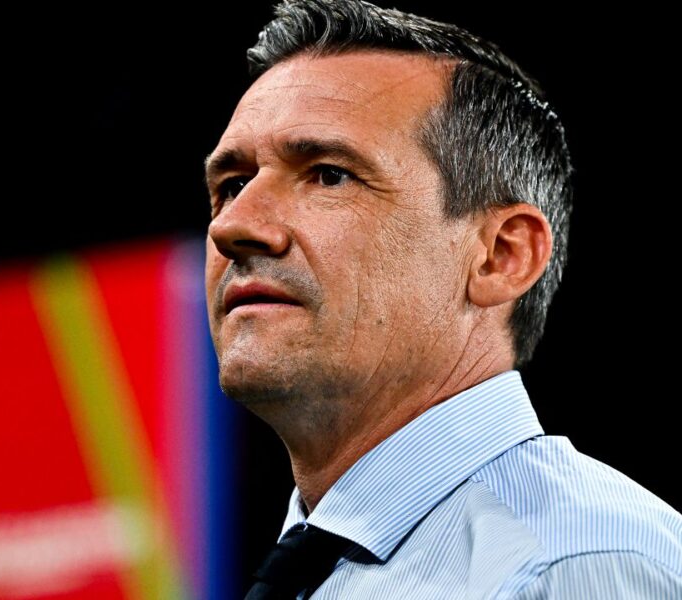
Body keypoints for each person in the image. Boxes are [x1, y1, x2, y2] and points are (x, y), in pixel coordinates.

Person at [202, 1, 682, 598]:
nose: (233, 226)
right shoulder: (316, 563)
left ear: (501, 256)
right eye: (230, 185)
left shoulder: (571, 568)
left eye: (328, 174)